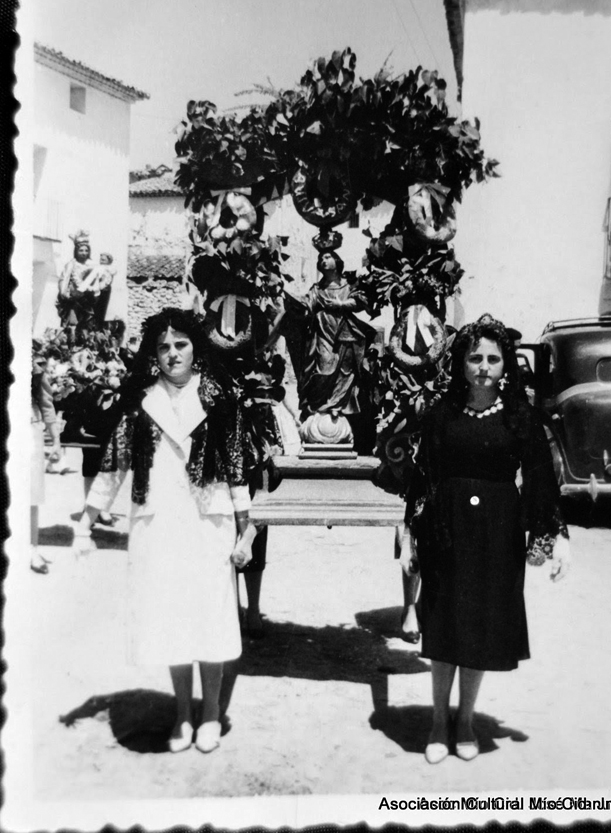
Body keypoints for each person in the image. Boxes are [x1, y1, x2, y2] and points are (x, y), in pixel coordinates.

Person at [75, 308, 256, 754]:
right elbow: (113, 464)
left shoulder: (219, 397)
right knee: (171, 618)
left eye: (181, 345)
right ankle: (181, 714)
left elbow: (235, 466)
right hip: (158, 523)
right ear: (153, 354)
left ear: (196, 349)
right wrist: (85, 523)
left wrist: (245, 529)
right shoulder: (141, 401)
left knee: (209, 617)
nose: (172, 353)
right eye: (163, 347)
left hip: (205, 522)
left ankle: (210, 711)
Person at [400, 313, 571, 764]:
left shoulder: (521, 416)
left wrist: (558, 537)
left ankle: (466, 720)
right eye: (475, 357)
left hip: (498, 534)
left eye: (493, 358)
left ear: (505, 365)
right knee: (444, 624)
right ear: (461, 363)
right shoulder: (441, 415)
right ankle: (438, 721)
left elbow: (540, 479)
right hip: (445, 529)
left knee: (479, 627)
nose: (483, 366)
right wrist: (408, 539)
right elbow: (423, 477)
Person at [285, 251, 373, 417]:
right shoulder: (317, 289)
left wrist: (340, 304)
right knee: (325, 367)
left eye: (327, 257)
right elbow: (306, 306)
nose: (322, 260)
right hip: (323, 331)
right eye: (320, 258)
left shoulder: (349, 285)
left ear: (337, 261)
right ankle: (319, 405)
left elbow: (361, 301)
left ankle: (336, 405)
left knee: (345, 371)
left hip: (345, 333)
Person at [31, 364, 62, 573]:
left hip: (27, 426)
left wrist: (56, 439)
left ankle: (31, 549)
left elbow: (46, 404)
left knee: (31, 494)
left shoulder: (32, 366)